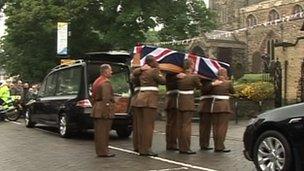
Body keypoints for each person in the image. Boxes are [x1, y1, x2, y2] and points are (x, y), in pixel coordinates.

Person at [132, 55, 166, 156]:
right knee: (148, 126)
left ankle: (139, 146)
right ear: (151, 62)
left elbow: (134, 74)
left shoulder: (141, 71)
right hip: (149, 100)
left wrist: (140, 68)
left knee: (140, 125)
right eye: (155, 61)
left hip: (140, 99)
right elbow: (163, 81)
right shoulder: (154, 71)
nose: (157, 62)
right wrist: (160, 71)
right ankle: (146, 149)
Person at [199, 68, 235, 153]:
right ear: (225, 74)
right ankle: (219, 146)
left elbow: (204, 89)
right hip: (223, 107)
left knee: (212, 128)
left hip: (212, 106)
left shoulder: (212, 83)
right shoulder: (228, 83)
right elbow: (233, 91)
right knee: (221, 128)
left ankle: (207, 144)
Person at [176, 59, 202, 154]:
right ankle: (186, 147)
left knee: (180, 125)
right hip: (188, 102)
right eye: (193, 64)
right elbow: (200, 86)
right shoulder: (193, 77)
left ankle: (181, 147)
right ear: (191, 65)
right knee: (186, 126)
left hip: (179, 101)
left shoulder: (179, 76)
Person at [90, 64, 115, 157]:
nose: (111, 72)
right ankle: (104, 152)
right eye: (110, 70)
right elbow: (106, 98)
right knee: (104, 132)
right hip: (103, 109)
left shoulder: (97, 81)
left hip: (97, 108)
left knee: (99, 132)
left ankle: (100, 151)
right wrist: (106, 111)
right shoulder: (106, 82)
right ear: (106, 71)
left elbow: (93, 97)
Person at [165, 72, 179, 151]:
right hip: (173, 101)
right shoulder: (172, 76)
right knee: (173, 124)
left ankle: (170, 144)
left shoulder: (170, 74)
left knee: (171, 124)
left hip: (170, 101)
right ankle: (172, 144)